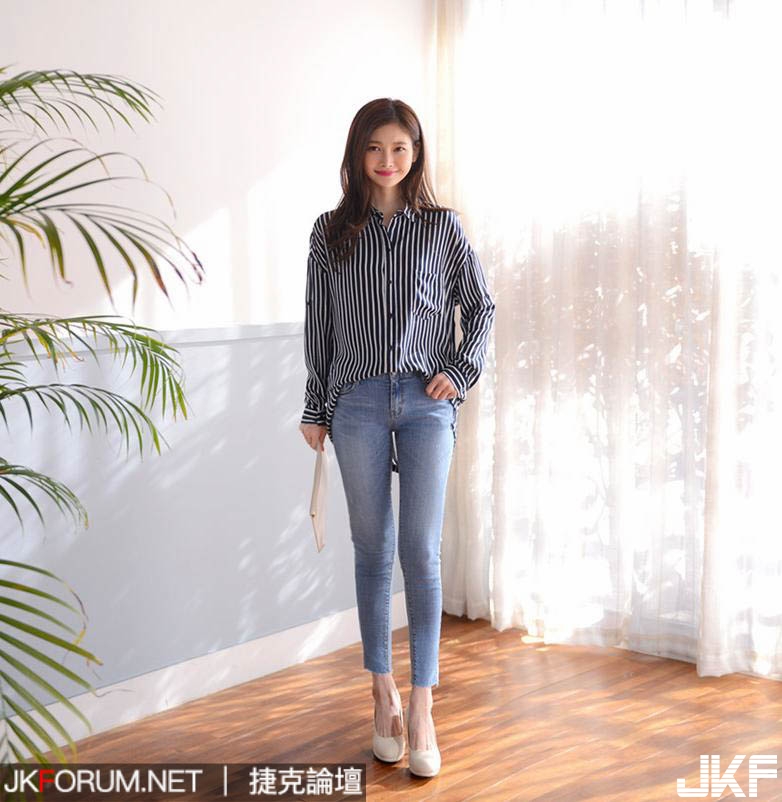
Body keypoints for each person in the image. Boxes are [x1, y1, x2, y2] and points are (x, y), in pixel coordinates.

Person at [298, 98, 495, 777]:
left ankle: (422, 706)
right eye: (375, 147)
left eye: (399, 148)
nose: (387, 160)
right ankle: (380, 693)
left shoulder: (443, 227)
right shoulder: (330, 232)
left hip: (424, 404)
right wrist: (315, 408)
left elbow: (480, 306)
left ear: (416, 154)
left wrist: (459, 371)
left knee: (421, 553)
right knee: (372, 550)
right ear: (358, 154)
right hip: (353, 402)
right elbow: (319, 324)